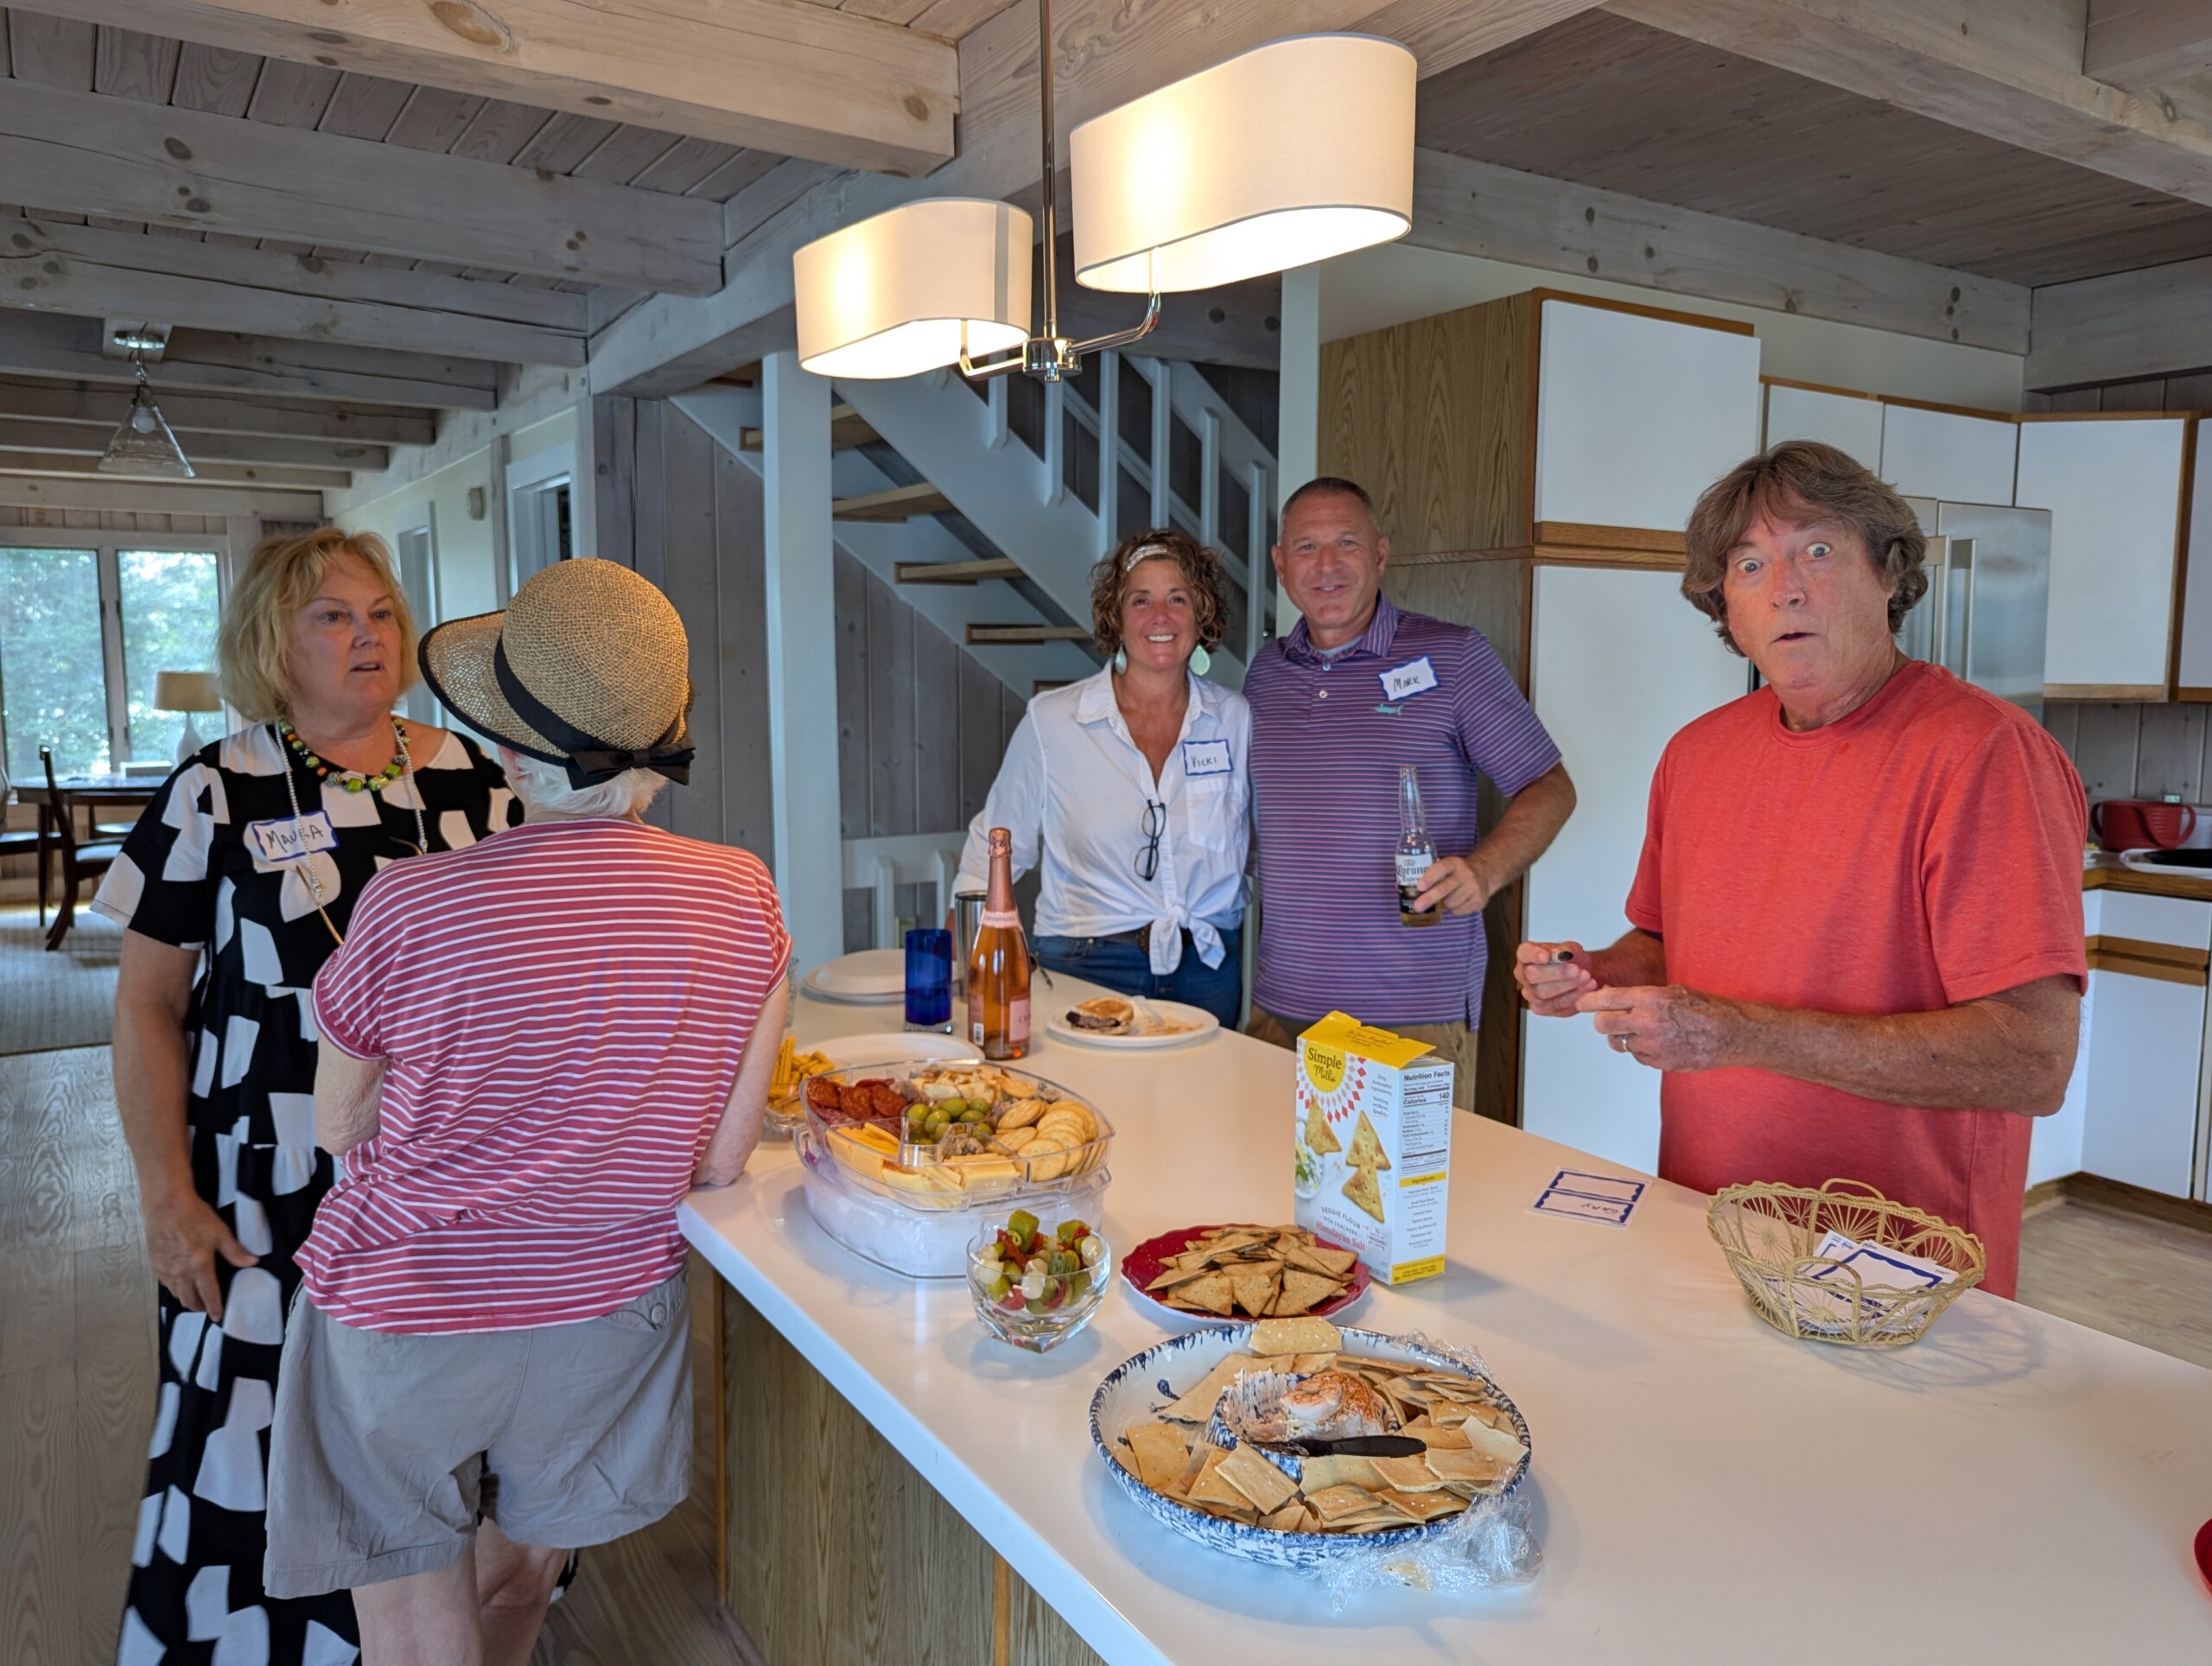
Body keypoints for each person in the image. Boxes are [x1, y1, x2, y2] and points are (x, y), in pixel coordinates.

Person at [261, 556, 789, 1666]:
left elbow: (338, 1128)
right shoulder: (743, 894)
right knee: (516, 1584)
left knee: (413, 1625)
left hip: (411, 1305)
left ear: (507, 751)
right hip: (608, 1311)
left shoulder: (409, 899)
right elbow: (721, 1157)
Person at [1515, 441, 2084, 1299]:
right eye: (1749, 565)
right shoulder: (1698, 755)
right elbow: (1673, 946)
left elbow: (2033, 1061)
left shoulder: (1987, 755)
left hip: (1900, 1269)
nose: (1784, 587)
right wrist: (1595, 972)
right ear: (1727, 610)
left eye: (1816, 550)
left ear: (1889, 572)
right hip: (1709, 1221)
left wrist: (1743, 1033)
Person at [93, 526, 519, 1664]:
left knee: (429, 1442)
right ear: (271, 643)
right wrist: (164, 1195)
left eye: (379, 613)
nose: (365, 635)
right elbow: (146, 1006)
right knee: (254, 1433)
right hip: (262, 1184)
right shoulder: (215, 788)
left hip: (440, 1193)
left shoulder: (475, 781)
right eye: (331, 615)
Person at [1243, 477, 1576, 1112]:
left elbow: (1550, 787)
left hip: (1413, 1011)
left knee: (1412, 1181)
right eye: (1307, 547)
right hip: (1284, 1007)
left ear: (1380, 554)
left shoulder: (1453, 657)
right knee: (1268, 1176)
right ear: (1281, 566)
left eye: (1347, 543)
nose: (1327, 565)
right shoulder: (1266, 673)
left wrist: (1486, 870)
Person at [956, 529, 1250, 1029]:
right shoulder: (1054, 720)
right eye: (1141, 600)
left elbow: (1266, 840)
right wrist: (963, 963)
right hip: (1086, 964)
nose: (1160, 616)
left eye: (1178, 598)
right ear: (1117, 617)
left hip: (1207, 968)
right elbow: (994, 846)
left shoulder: (1235, 719)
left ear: (1202, 615)